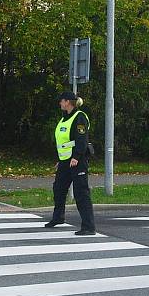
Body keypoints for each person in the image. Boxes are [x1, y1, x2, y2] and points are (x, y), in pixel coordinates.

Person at [45, 91, 96, 235]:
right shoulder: (64, 118)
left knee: (81, 193)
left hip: (77, 161)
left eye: (61, 101)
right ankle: (58, 218)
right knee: (59, 189)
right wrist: (60, 160)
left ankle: (89, 227)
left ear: (67, 102)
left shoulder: (79, 117)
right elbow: (64, 142)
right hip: (65, 161)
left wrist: (77, 156)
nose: (60, 103)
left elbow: (81, 139)